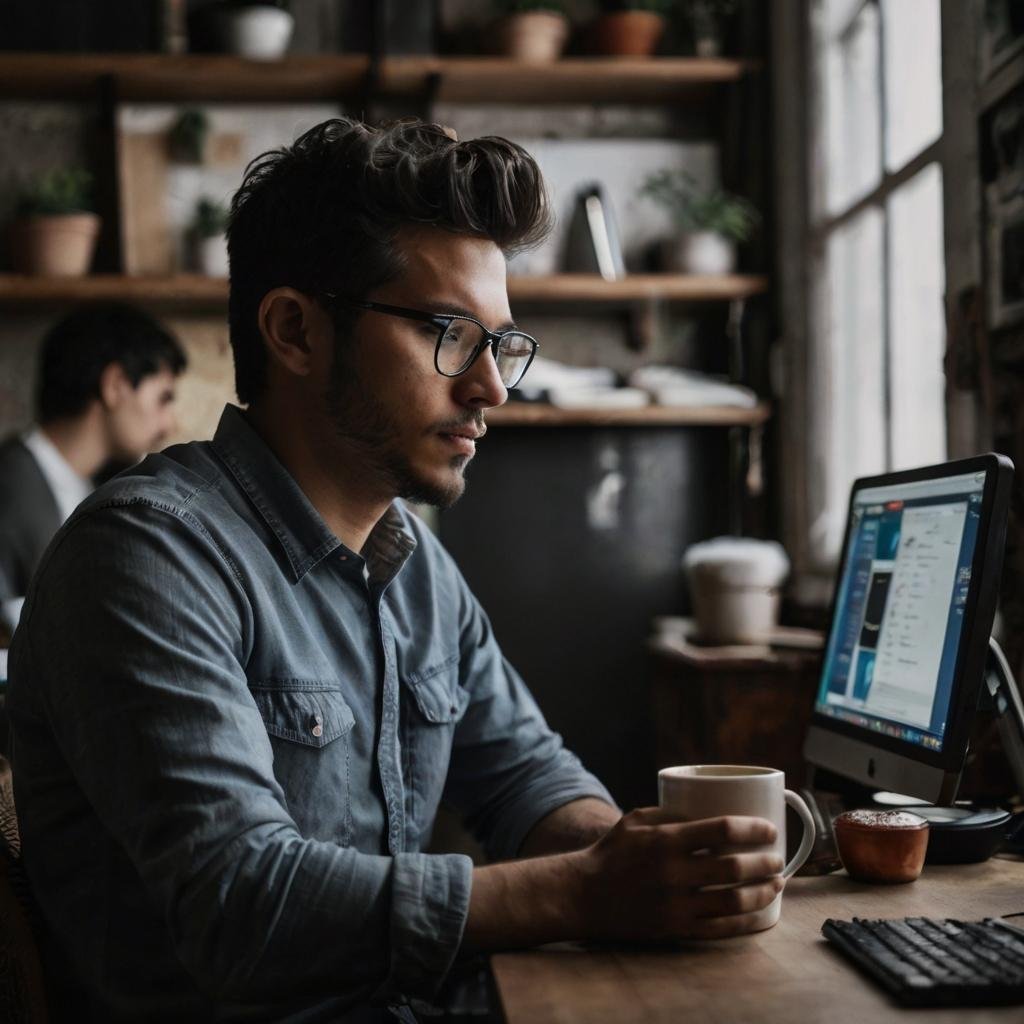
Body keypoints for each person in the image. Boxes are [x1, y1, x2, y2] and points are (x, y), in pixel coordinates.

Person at [7, 119, 784, 1023]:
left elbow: (525, 774)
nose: (493, 387)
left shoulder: (412, 561)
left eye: (502, 344)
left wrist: (657, 869)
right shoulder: (145, 557)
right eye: (452, 334)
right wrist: (585, 892)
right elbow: (241, 907)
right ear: (295, 329)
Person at [0, 303, 185, 632]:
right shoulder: (12, 485)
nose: (169, 425)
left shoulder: (89, 487)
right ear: (114, 385)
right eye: (163, 398)